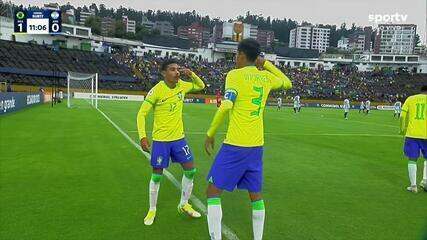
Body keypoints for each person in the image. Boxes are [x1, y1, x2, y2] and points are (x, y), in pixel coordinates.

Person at [204, 39, 292, 240]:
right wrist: (266, 64)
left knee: (212, 192)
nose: (236, 58)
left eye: (237, 54)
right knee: (255, 195)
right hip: (256, 146)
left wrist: (210, 133)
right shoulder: (266, 78)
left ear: (242, 55)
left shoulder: (234, 75)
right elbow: (287, 82)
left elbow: (226, 106)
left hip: (235, 145)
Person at [137, 59, 205, 225]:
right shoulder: (157, 90)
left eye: (177, 69)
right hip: (161, 141)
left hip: (179, 139)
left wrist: (192, 74)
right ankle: (152, 209)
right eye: (172, 70)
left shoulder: (183, 85)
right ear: (163, 73)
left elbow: (201, 86)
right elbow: (141, 114)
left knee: (191, 171)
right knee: (157, 176)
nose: (177, 72)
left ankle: (184, 204)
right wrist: (142, 136)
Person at [400, 85, 427, 193]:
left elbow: (402, 116)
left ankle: (413, 186)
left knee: (412, 159)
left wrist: (401, 129)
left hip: (412, 134)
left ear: (421, 91)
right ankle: (425, 181)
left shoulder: (411, 99)